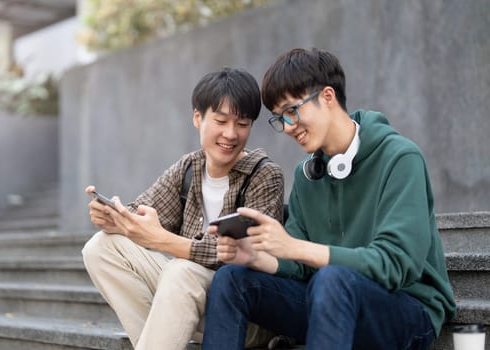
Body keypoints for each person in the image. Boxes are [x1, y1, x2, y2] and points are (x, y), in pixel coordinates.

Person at [202, 48, 456, 350]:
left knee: (333, 279)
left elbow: (394, 264)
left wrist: (298, 247)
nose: (287, 127)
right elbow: (300, 263)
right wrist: (256, 257)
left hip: (407, 310)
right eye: (279, 119)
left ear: (327, 96)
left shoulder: (400, 158)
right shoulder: (309, 173)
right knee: (233, 280)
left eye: (292, 111)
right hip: (330, 300)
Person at [81, 67, 285, 350]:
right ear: (198, 118)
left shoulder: (264, 176)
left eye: (242, 123)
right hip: (187, 300)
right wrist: (115, 217)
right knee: (100, 248)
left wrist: (164, 240)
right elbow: (142, 209)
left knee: (181, 270)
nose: (231, 134)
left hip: (246, 316)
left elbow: (240, 255)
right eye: (221, 120)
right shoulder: (189, 168)